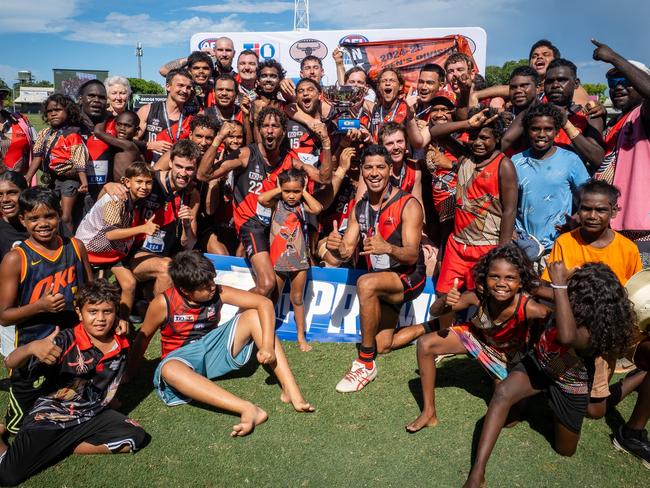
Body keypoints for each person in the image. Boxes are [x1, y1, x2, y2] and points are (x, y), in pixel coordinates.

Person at [463, 261, 638, 488]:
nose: (570, 288)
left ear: (589, 302)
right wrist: (505, 276)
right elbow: (533, 286)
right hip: (541, 365)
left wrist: (560, 287)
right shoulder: (567, 298)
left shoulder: (588, 332)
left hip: (570, 383)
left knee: (570, 444)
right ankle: (477, 474)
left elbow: (566, 336)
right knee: (503, 392)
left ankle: (638, 378)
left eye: (576, 289)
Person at [129, 250, 314, 437]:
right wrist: (129, 373)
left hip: (213, 349)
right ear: (185, 291)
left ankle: (291, 390)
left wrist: (266, 345)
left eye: (212, 280)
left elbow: (264, 303)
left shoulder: (218, 291)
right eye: (204, 285)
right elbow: (143, 338)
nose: (212, 287)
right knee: (169, 369)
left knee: (253, 315)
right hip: (181, 359)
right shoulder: (164, 302)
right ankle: (247, 408)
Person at [0, 280, 147, 486]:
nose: (100, 319)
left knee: (136, 437)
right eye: (92, 311)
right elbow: (10, 362)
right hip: (52, 415)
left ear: (116, 313)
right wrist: (31, 348)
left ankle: (59, 445)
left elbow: (108, 377)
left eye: (107, 311)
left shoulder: (121, 339)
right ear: (79, 312)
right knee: (8, 476)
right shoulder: (64, 341)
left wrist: (110, 400)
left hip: (91, 413)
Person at [406, 244, 550, 432]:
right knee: (426, 343)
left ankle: (518, 391)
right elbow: (434, 311)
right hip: (478, 340)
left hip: (509, 358)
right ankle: (428, 412)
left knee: (509, 420)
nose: (501, 283)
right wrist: (445, 302)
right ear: (485, 277)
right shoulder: (477, 296)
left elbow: (555, 330)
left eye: (510, 278)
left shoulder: (530, 309)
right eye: (494, 276)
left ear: (521, 281)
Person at [538, 179, 645, 420]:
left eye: (601, 210)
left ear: (614, 211)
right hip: (571, 329)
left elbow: (633, 295)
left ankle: (638, 377)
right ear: (578, 208)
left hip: (606, 335)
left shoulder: (628, 249)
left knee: (593, 411)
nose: (592, 215)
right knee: (551, 381)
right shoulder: (566, 242)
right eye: (586, 208)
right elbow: (548, 287)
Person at [326, 145, 426, 392]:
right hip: (384, 278)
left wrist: (388, 248)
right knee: (384, 343)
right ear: (362, 172)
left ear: (390, 170)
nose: (374, 173)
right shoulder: (359, 207)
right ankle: (432, 326)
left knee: (365, 283)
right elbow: (348, 251)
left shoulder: (408, 204)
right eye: (368, 167)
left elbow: (413, 255)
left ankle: (365, 363)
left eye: (380, 167)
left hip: (410, 275)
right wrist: (335, 247)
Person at [202, 106, 331, 297]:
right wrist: (219, 139)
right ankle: (227, 313)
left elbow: (324, 178)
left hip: (275, 227)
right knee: (267, 283)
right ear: (259, 130)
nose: (270, 130)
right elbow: (204, 174)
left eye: (275, 126)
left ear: (283, 131)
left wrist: (326, 143)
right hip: (251, 224)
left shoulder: (290, 159)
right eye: (265, 126)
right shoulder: (246, 154)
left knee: (281, 286)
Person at [0, 187, 93, 434]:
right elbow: (4, 316)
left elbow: (91, 294)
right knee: (19, 428)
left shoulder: (75, 247)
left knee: (69, 412)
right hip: (33, 351)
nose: (42, 224)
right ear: (22, 219)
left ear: (60, 213)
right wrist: (39, 306)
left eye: (49, 216)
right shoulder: (15, 259)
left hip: (73, 345)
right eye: (33, 218)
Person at [591, 39, 650, 267]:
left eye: (626, 81)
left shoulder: (642, 115)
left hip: (642, 229)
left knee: (641, 297)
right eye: (613, 82)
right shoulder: (618, 121)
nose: (617, 87)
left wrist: (614, 57)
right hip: (614, 225)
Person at [75, 162, 156, 321]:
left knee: (129, 284)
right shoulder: (116, 199)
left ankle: (123, 321)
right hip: (88, 251)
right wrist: (143, 228)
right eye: (139, 182)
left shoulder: (135, 199)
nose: (144, 186)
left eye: (148, 182)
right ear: (127, 182)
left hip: (110, 253)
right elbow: (110, 234)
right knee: (88, 294)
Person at [258, 168, 323, 352]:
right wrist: (280, 190)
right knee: (273, 298)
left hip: (298, 260)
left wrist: (304, 192)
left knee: (297, 299)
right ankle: (267, 333)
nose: (291, 196)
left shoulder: (302, 207)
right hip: (277, 259)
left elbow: (317, 208)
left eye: (296, 191)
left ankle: (301, 337)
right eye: (288, 191)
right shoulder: (277, 204)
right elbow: (261, 199)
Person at [513, 103, 589, 257]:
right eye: (535, 129)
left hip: (558, 245)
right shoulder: (515, 161)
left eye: (548, 129)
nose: (542, 134)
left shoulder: (570, 160)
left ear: (556, 132)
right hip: (523, 245)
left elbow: (589, 197)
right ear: (527, 131)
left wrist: (576, 218)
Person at [502, 59, 605, 171]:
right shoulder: (531, 113)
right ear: (543, 85)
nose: (555, 85)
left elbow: (598, 160)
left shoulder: (589, 115)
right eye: (550, 81)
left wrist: (566, 124)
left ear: (576, 83)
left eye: (562, 80)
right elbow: (503, 144)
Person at [24, 94, 89, 236]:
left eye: (58, 109)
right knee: (50, 212)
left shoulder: (73, 134)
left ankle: (71, 246)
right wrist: (28, 177)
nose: (53, 113)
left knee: (65, 216)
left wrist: (84, 181)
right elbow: (37, 157)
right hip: (52, 179)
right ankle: (53, 240)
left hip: (70, 179)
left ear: (68, 111)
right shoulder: (44, 133)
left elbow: (79, 159)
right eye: (49, 111)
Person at [137, 69, 194, 162]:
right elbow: (131, 141)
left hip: (176, 173)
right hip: (148, 171)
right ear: (168, 86)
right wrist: (149, 145)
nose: (184, 90)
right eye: (180, 85)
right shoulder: (147, 110)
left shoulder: (190, 118)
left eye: (188, 87)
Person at [92, 110, 142, 181]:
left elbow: (98, 132)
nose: (122, 128)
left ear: (137, 130)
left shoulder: (128, 145)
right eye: (119, 124)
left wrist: (105, 115)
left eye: (127, 126)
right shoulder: (122, 144)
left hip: (124, 189)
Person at [160, 36, 236, 78]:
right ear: (214, 52)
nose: (224, 54)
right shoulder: (202, 74)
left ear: (234, 53)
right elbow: (163, 71)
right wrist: (195, 57)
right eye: (220, 50)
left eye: (228, 50)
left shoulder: (238, 78)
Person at [0, 88, 35, 175]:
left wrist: (28, 177)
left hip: (19, 182)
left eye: (0, 97)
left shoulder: (21, 120)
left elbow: (37, 148)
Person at [369, 68, 408, 141]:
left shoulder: (406, 109)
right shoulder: (376, 109)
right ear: (379, 87)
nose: (387, 83)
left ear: (400, 87)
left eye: (392, 80)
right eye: (384, 81)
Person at [0, 171, 29, 259]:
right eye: (0, 194)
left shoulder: (46, 222)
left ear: (25, 193)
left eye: (12, 193)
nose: (5, 199)